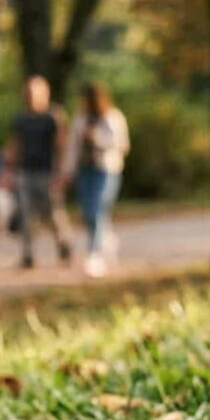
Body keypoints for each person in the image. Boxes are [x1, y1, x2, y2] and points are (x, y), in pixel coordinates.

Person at [4, 74, 73, 268]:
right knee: (26, 215)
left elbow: (61, 146)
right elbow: (14, 146)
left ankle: (64, 243)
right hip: (25, 172)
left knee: (52, 214)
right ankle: (28, 255)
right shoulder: (20, 118)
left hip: (47, 172)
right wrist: (8, 171)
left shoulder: (54, 116)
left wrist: (60, 173)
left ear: (45, 93)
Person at [65, 82, 130, 278]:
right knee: (88, 211)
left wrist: (97, 138)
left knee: (97, 209)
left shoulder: (113, 117)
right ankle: (107, 241)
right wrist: (67, 171)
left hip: (106, 170)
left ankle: (94, 254)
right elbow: (72, 147)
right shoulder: (81, 119)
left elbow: (122, 145)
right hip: (85, 170)